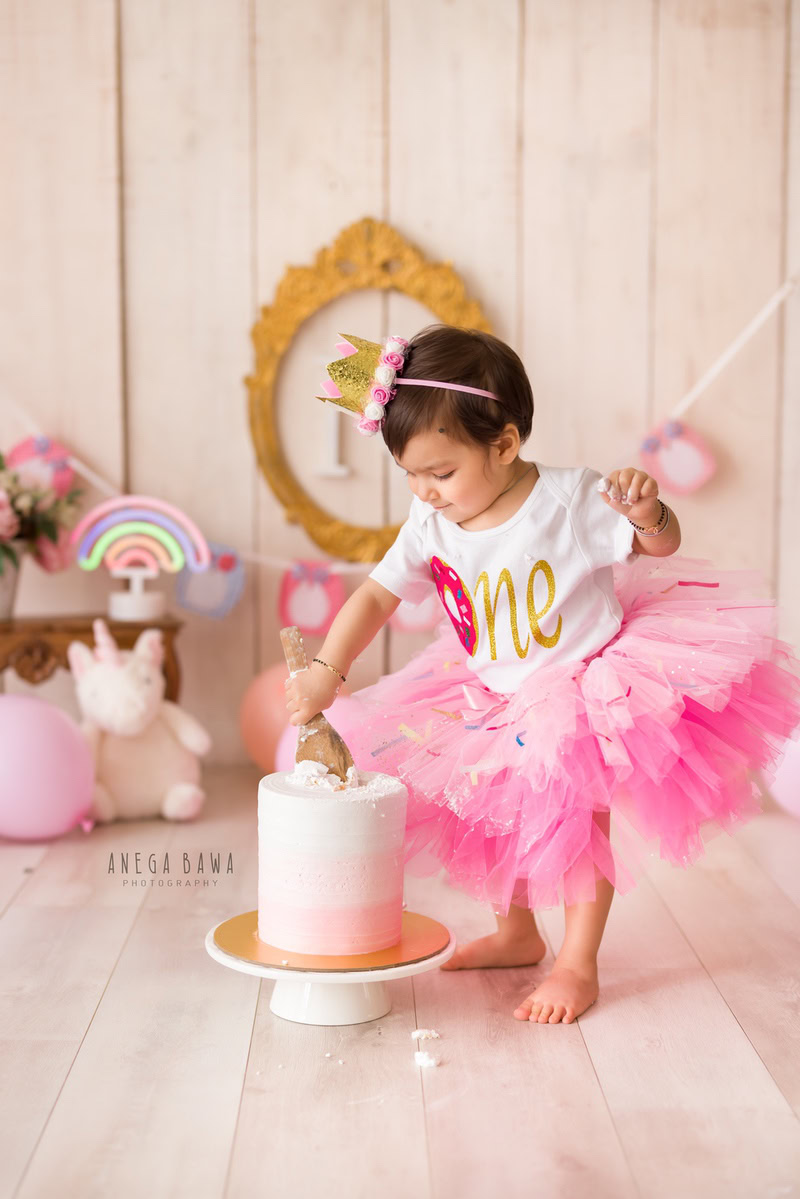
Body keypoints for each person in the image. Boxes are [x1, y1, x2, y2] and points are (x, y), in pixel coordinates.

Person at [285, 324, 800, 1025]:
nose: (425, 491)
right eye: (411, 474)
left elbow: (660, 545)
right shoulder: (430, 521)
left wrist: (647, 512)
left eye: (440, 473)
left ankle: (577, 963)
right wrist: (325, 667)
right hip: (492, 690)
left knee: (578, 825)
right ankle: (517, 933)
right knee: (496, 818)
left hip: (585, 685)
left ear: (503, 443)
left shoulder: (569, 500)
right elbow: (376, 593)